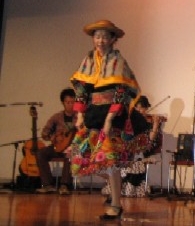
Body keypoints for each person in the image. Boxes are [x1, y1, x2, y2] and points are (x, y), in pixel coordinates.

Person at [69, 20, 154, 221]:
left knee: (110, 162)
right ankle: (115, 195)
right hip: (93, 114)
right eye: (97, 36)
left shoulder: (118, 61)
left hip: (113, 115)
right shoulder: (89, 60)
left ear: (113, 39)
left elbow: (122, 92)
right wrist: (80, 114)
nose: (100, 41)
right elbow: (82, 90)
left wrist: (109, 120)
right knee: (89, 158)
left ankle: (115, 204)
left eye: (105, 37)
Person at [101, 95, 162, 199]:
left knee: (129, 191)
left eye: (142, 108)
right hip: (126, 154)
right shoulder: (128, 120)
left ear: (146, 108)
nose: (139, 110)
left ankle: (128, 184)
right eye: (137, 108)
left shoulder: (146, 124)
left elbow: (149, 140)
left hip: (138, 156)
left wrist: (155, 125)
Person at [34, 88, 78, 195]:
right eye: (67, 102)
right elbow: (44, 133)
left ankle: (64, 185)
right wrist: (54, 137)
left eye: (72, 102)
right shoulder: (57, 117)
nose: (70, 105)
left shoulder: (79, 117)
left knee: (70, 153)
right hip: (58, 147)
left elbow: (85, 133)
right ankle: (48, 185)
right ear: (63, 103)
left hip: (73, 148)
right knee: (40, 153)